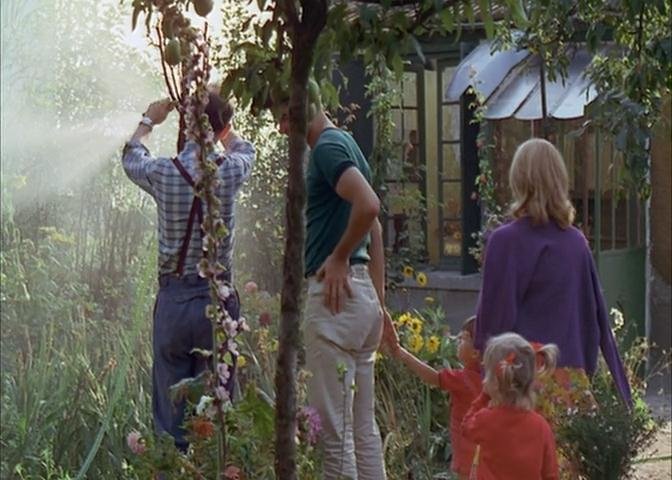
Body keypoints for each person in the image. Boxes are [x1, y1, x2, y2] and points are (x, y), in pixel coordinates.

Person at [121, 94, 255, 451]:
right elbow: (246, 150)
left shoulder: (163, 172)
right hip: (218, 304)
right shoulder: (230, 171)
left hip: (174, 304)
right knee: (217, 415)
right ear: (218, 128)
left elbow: (131, 156)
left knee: (171, 418)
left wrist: (149, 120)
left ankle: (173, 466)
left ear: (186, 126)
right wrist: (224, 128)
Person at [276, 82, 390, 480]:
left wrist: (339, 256)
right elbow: (375, 228)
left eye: (284, 117)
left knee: (336, 438)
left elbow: (369, 205)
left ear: (303, 106)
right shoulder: (346, 142)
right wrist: (379, 303)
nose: (280, 128)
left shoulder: (326, 147)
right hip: (361, 298)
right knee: (363, 430)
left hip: (336, 300)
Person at [474, 138, 632, 409]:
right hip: (570, 387)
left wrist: (486, 379)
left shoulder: (506, 241)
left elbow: (494, 320)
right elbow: (593, 319)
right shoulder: (575, 243)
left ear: (518, 180)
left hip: (521, 385)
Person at [383, 316, 482, 480]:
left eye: (463, 338)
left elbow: (434, 378)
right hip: (486, 454)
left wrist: (402, 353)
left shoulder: (462, 379)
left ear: (475, 352)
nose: (457, 340)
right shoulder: (493, 381)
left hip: (466, 454)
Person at [462, 332, 560, 480]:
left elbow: (466, 427)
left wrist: (484, 396)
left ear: (495, 382)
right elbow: (550, 475)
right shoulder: (541, 426)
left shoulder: (485, 420)